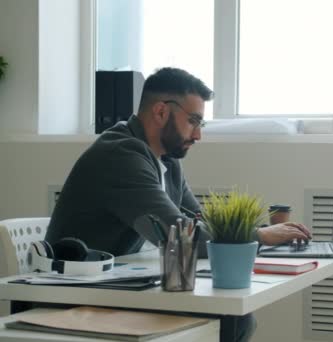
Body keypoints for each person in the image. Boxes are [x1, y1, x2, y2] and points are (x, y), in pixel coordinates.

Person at [45, 67, 312, 342]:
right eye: (193, 121)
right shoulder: (120, 155)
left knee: (236, 318)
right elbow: (181, 235)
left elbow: (199, 220)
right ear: (161, 112)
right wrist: (259, 235)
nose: (198, 135)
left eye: (201, 124)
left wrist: (255, 233)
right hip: (77, 295)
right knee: (234, 320)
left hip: (115, 284)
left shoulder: (167, 161)